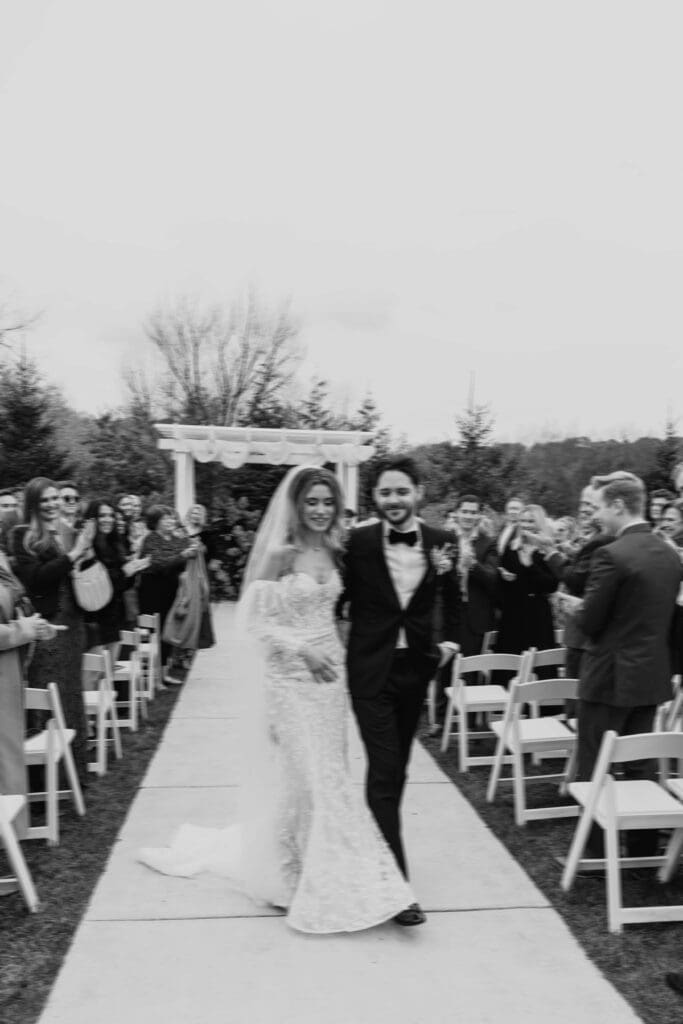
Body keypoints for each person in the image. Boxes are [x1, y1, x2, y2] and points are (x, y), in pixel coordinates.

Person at [139, 466, 415, 933]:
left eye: (329, 502)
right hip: (289, 678)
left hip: (330, 680)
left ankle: (320, 867)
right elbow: (251, 620)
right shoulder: (280, 553)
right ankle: (299, 874)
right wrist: (299, 648)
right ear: (296, 505)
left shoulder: (336, 549)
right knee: (311, 780)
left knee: (320, 778)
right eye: (313, 502)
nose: (321, 511)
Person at [341, 455, 460, 925]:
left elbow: (453, 599)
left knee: (398, 771)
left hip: (417, 669)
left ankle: (376, 854)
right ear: (375, 497)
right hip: (370, 671)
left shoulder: (442, 542)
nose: (394, 500)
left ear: (419, 493)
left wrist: (449, 643)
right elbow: (335, 594)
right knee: (385, 769)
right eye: (385, 493)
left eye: (402, 491)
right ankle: (397, 890)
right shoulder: (357, 543)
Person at [575, 473, 682, 858]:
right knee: (640, 763)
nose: (599, 515)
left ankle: (594, 850)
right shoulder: (669, 553)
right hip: (652, 675)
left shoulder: (611, 554)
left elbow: (591, 622)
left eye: (601, 506)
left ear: (618, 506)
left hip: (609, 677)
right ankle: (640, 848)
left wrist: (577, 610)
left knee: (593, 763)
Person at [12, 478, 95, 783]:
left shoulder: (64, 532)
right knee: (48, 698)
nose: (51, 504)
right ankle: (44, 781)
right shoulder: (21, 536)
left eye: (54, 499)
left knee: (72, 697)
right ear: (33, 503)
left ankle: (75, 774)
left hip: (73, 624)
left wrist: (82, 555)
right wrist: (72, 556)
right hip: (49, 626)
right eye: (44, 500)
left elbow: (70, 573)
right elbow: (37, 579)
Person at [0, 549, 57, 842]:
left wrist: (34, 626)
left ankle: (9, 839)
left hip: (8, 671)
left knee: (7, 757)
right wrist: (24, 629)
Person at [138, 505, 197, 683]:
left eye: (172, 518)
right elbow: (159, 564)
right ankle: (150, 676)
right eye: (166, 518)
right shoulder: (151, 539)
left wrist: (194, 548)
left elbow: (189, 548)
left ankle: (163, 673)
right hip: (152, 594)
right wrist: (183, 555)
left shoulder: (175, 539)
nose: (171, 521)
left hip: (172, 593)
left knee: (167, 632)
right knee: (152, 632)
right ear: (156, 523)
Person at [496, 503, 558, 661]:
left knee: (539, 663)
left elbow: (552, 585)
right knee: (509, 662)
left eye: (531, 521)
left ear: (539, 524)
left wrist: (530, 566)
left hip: (537, 614)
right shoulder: (511, 548)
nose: (526, 525)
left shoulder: (547, 549)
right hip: (514, 613)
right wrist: (504, 577)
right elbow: (501, 582)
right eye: (523, 521)